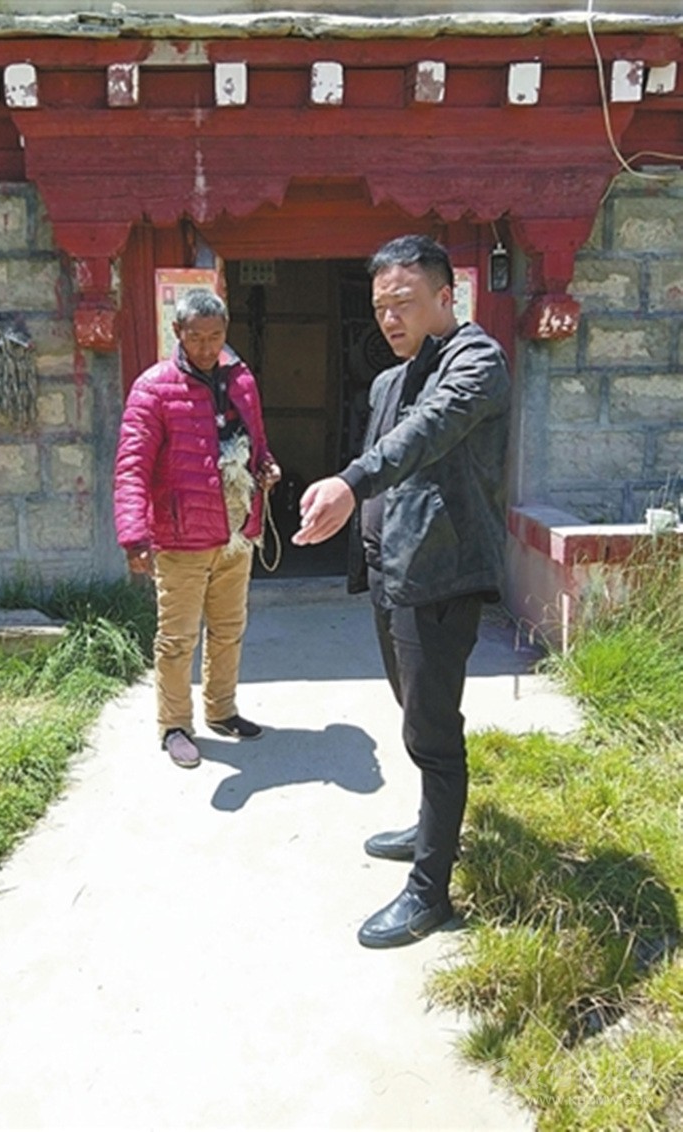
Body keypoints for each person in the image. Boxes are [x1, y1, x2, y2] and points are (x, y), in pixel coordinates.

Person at [293, 235, 510, 947]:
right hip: (392, 571)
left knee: (434, 732)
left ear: (447, 297)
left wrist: (349, 484)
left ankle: (430, 892)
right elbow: (385, 454)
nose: (389, 318)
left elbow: (425, 433)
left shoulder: (475, 362)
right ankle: (431, 826)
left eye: (405, 303)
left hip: (442, 572)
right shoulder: (389, 380)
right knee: (415, 714)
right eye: (380, 305)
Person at [114, 288, 280, 769]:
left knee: (229, 630)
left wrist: (266, 467)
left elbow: (255, 442)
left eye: (215, 336)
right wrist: (134, 536)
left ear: (226, 331)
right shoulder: (153, 388)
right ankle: (174, 726)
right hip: (180, 536)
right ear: (177, 332)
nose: (207, 347)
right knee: (177, 639)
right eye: (196, 337)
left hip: (236, 532)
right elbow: (131, 468)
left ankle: (222, 711)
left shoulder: (242, 380)